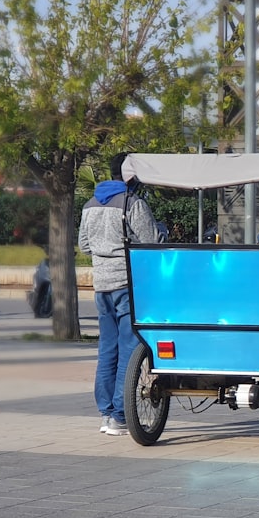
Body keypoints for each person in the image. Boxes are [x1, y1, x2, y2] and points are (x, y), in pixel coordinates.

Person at [78, 152, 158, 436]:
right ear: (130, 176)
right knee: (128, 349)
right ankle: (120, 416)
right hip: (127, 284)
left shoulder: (90, 204)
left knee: (106, 350)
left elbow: (84, 245)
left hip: (101, 286)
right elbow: (150, 243)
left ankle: (105, 414)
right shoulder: (132, 203)